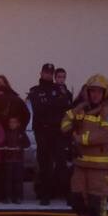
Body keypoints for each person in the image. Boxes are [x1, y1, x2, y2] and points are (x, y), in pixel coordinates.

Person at [61, 75, 108, 216]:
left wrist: (81, 138)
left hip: (99, 167)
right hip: (81, 164)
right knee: (78, 199)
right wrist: (69, 129)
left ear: (104, 93)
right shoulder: (81, 108)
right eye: (92, 91)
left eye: (98, 91)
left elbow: (107, 133)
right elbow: (65, 121)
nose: (94, 95)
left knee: (96, 202)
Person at [27, 63, 71, 205]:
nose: (48, 75)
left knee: (61, 164)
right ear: (41, 73)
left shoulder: (60, 90)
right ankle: (45, 194)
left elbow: (65, 106)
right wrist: (54, 104)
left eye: (50, 73)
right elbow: (40, 109)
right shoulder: (35, 91)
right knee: (44, 165)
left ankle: (67, 195)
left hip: (57, 133)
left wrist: (53, 104)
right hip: (42, 133)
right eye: (46, 72)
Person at [3, 115, 30, 204]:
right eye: (10, 122)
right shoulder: (6, 133)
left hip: (18, 159)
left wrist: (20, 147)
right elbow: (2, 143)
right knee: (8, 179)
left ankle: (17, 197)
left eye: (14, 122)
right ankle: (7, 197)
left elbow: (27, 144)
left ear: (18, 124)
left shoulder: (21, 133)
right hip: (8, 159)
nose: (12, 124)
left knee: (17, 179)